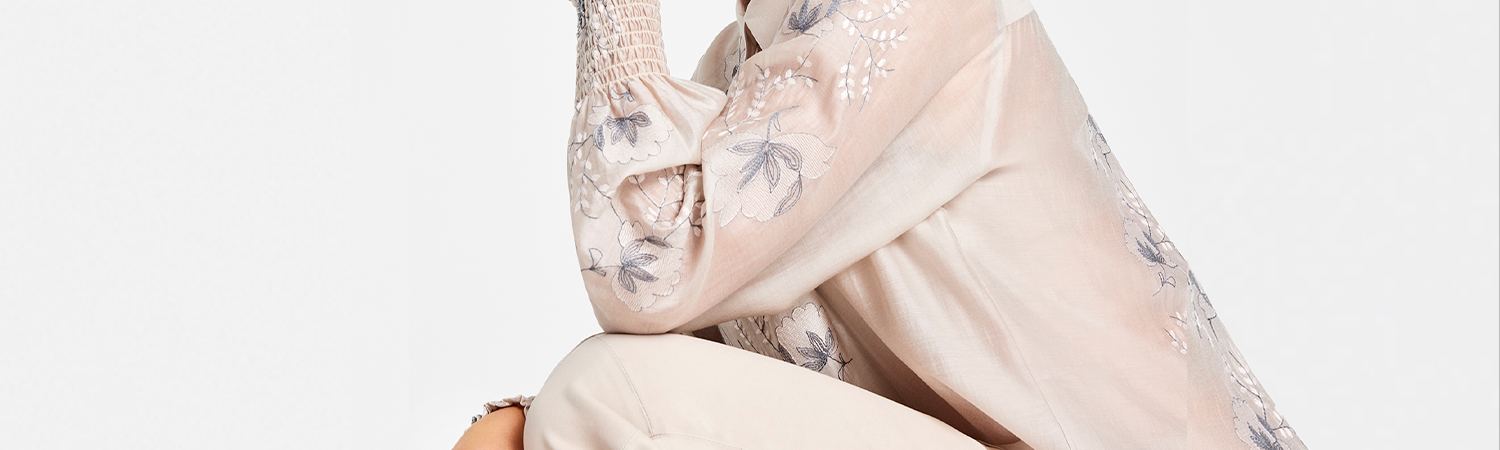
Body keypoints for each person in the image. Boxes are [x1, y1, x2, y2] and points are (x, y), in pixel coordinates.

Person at [463, 0, 1309, 448]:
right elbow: (722, 386)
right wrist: (523, 426)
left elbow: (648, 276)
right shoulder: (740, 71)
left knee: (597, 394)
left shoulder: (900, 11)